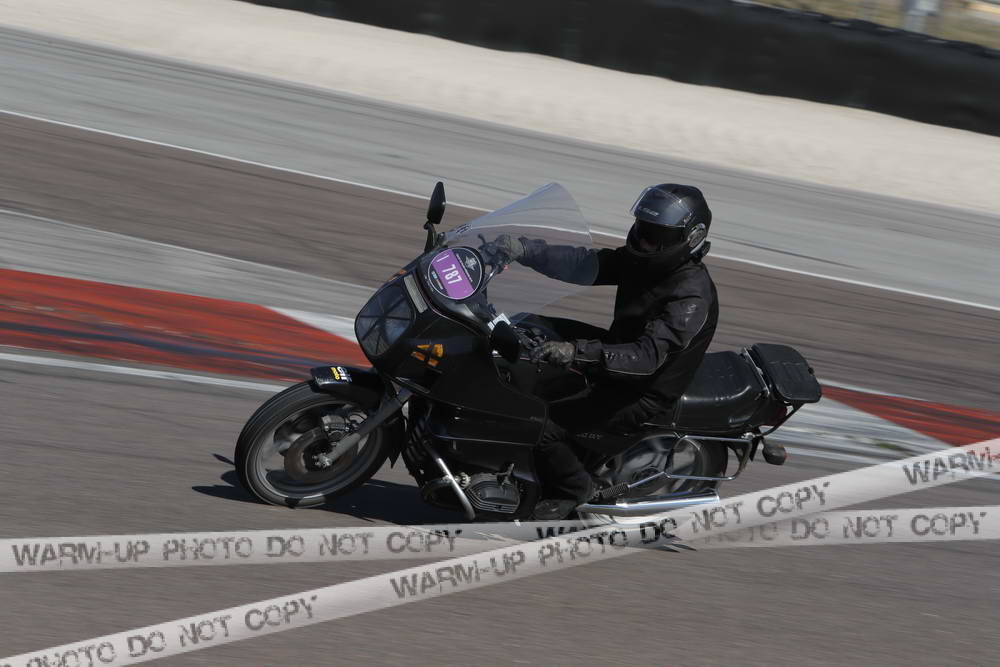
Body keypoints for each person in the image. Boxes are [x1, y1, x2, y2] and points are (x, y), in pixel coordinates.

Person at [495, 184, 722, 520]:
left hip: (643, 387)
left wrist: (576, 352)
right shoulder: (647, 262)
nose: (644, 240)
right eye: (642, 229)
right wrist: (525, 249)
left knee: (541, 426)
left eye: (656, 235)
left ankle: (576, 492)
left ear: (691, 238)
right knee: (527, 326)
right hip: (618, 353)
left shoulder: (690, 298)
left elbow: (646, 358)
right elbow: (586, 263)